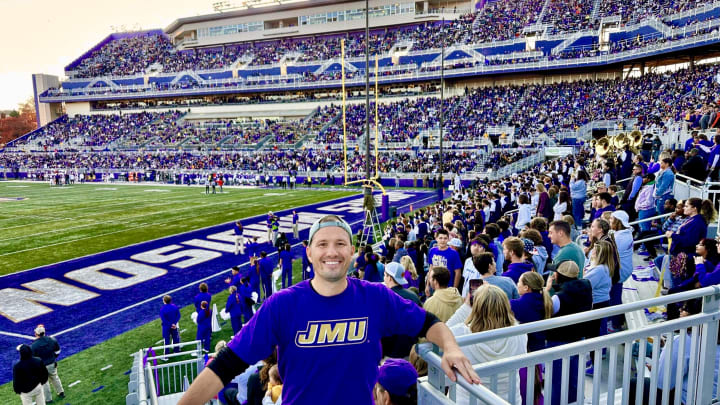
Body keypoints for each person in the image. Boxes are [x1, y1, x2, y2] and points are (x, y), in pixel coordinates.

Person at [178, 215, 480, 405]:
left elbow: (427, 322)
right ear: (309, 253)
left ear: (351, 251)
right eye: (322, 244)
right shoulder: (282, 304)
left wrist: (450, 346)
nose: (331, 252)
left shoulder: (375, 297)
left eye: (340, 244)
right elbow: (226, 364)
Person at [446, 284, 527, 404]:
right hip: (507, 400)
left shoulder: (461, 333)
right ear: (505, 306)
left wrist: (466, 307)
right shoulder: (519, 333)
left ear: (476, 307)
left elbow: (440, 334)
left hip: (467, 400)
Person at [543, 261, 593, 405]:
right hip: (578, 339)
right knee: (574, 381)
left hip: (559, 342)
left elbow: (546, 313)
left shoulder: (559, 297)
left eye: (555, 272)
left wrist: (547, 290)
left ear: (559, 275)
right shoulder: (587, 287)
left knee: (556, 383)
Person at [511, 271, 552, 405]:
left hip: (523, 354)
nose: (517, 284)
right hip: (539, 353)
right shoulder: (546, 301)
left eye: (519, 282)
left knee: (523, 391)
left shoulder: (515, 305)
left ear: (526, 288)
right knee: (535, 390)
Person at [31, 324, 64, 401]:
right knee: (55, 377)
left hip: (41, 366)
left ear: (37, 334)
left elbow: (33, 359)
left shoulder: (33, 345)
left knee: (45, 383)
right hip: (52, 363)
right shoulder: (52, 340)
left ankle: (48, 399)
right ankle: (61, 392)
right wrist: (53, 358)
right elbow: (58, 351)